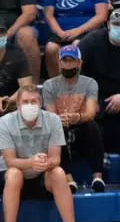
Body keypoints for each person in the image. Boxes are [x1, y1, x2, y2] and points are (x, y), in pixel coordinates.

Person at [0, 84, 84, 222]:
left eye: (33, 101)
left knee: (58, 172)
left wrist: (44, 163)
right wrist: (31, 162)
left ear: (40, 103)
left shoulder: (53, 120)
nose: (30, 105)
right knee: (13, 173)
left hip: (42, 175)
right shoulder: (5, 122)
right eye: (25, 102)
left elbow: (56, 159)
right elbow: (10, 161)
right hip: (14, 177)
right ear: (18, 105)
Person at [80, 7, 120, 152]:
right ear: (108, 24)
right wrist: (89, 97)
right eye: (116, 24)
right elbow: (76, 70)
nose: (119, 28)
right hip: (94, 94)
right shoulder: (92, 40)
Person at [43, 43, 105, 192]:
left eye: (72, 60)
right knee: (55, 130)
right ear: (59, 63)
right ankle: (68, 179)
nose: (68, 64)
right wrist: (61, 119)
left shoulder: (90, 83)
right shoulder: (49, 85)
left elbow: (90, 113)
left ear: (80, 63)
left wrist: (76, 117)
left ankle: (98, 177)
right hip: (61, 126)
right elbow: (51, 115)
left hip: (82, 127)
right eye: (65, 60)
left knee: (93, 126)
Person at [43, 0, 109, 77]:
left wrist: (77, 31)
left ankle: (77, 83)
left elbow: (102, 16)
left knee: (76, 46)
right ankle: (56, 84)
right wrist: (60, 33)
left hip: (87, 31)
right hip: (62, 32)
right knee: (51, 48)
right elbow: (49, 15)